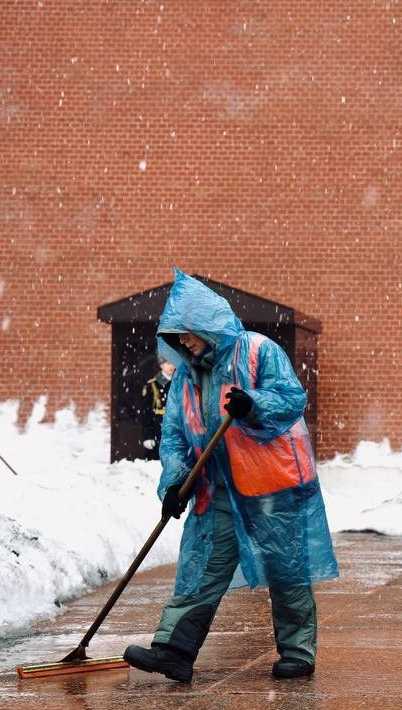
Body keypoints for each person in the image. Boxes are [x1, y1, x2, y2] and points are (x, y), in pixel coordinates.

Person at [124, 269, 339, 682]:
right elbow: (174, 437)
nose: (183, 342)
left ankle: (298, 652)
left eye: (186, 333)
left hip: (272, 486)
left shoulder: (258, 351)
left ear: (206, 324)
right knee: (202, 567)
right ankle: (174, 650)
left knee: (286, 569)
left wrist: (253, 404)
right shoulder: (185, 377)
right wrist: (175, 482)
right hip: (217, 489)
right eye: (175, 336)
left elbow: (291, 399)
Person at [138, 347, 178, 459]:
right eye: (167, 362)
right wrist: (148, 435)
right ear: (161, 364)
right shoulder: (152, 385)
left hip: (176, 429)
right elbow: (146, 413)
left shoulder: (179, 382)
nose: (171, 366)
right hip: (158, 429)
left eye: (173, 362)